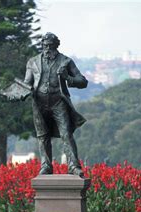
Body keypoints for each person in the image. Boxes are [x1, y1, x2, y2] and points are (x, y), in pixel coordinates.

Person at [23, 32, 88, 177]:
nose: (47, 48)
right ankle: (46, 166)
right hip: (39, 103)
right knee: (43, 136)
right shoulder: (32, 62)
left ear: (56, 45)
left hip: (58, 102)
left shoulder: (66, 61)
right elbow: (26, 83)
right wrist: (20, 92)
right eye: (45, 45)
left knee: (66, 134)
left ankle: (73, 166)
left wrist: (68, 78)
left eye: (50, 46)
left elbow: (83, 81)